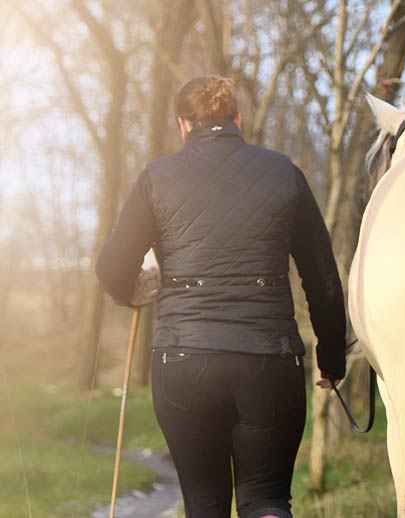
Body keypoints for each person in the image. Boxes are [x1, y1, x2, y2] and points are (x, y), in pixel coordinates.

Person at [95, 75, 347, 518]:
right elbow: (322, 275)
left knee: (206, 503)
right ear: (238, 119)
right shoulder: (284, 172)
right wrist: (331, 355)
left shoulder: (157, 178)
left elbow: (113, 268)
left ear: (182, 125)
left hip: (182, 362)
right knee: (266, 499)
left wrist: (134, 292)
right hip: (269, 361)